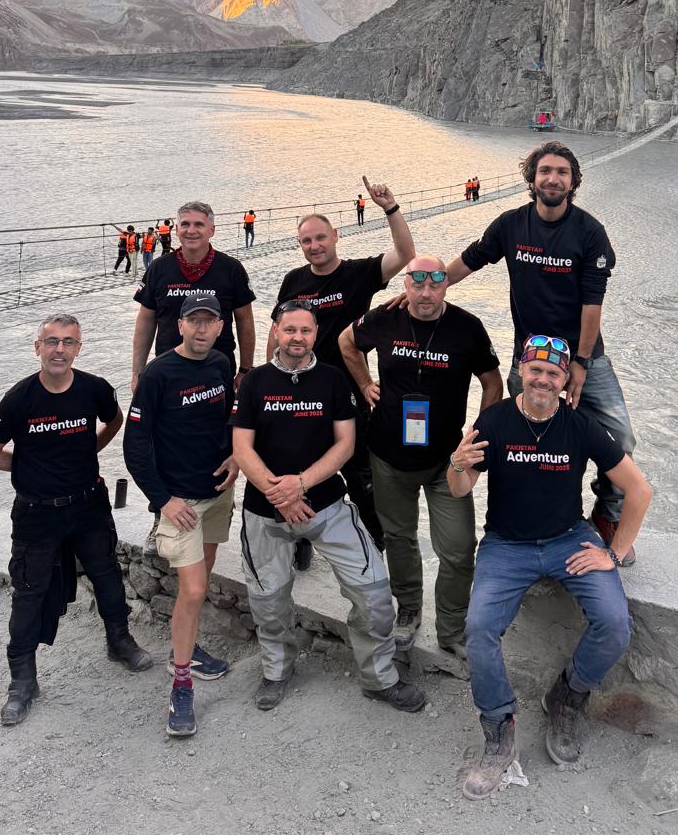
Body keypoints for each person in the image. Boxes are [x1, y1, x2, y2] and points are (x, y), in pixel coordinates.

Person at [447, 334, 652, 799]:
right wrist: (457, 465)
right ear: (521, 370)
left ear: (565, 382)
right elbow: (459, 489)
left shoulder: (580, 426)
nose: (542, 379)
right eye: (534, 370)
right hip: (506, 545)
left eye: (553, 373)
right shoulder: (494, 421)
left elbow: (639, 491)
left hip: (568, 539)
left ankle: (569, 693)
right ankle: (499, 728)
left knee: (615, 623)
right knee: (478, 628)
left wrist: (613, 553)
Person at [442, 141, 638, 563]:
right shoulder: (511, 226)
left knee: (621, 437)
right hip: (528, 360)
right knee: (519, 444)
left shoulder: (589, 232)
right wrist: (428, 287)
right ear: (531, 179)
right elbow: (469, 261)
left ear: (573, 182)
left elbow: (592, 303)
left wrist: (581, 364)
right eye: (545, 170)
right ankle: (520, 531)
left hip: (585, 358)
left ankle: (606, 515)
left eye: (562, 172)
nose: (553, 178)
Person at [233, 301, 425, 714]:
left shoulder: (334, 381)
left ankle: (379, 677)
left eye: (305, 330)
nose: (297, 338)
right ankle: (277, 669)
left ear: (314, 334)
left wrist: (301, 484)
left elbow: (346, 445)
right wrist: (279, 494)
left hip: (327, 505)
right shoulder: (255, 382)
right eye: (289, 330)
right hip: (265, 511)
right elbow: (241, 448)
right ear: (276, 332)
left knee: (374, 590)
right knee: (268, 599)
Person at [0, 313, 153, 728]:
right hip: (37, 512)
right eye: (51, 341)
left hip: (89, 504)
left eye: (68, 342)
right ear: (37, 347)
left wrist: (87, 450)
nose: (60, 349)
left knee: (107, 575)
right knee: (29, 592)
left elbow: (116, 420)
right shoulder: (18, 400)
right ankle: (22, 679)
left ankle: (119, 641)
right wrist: (30, 468)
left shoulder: (94, 389)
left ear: (79, 348)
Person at [339, 256, 502, 656]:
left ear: (446, 285)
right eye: (417, 284)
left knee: (460, 548)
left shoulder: (467, 327)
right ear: (406, 285)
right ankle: (408, 610)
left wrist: (475, 438)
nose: (425, 293)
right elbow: (346, 342)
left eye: (434, 284)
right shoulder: (385, 317)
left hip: (447, 462)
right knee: (398, 537)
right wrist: (364, 383)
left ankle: (451, 628)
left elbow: (493, 384)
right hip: (389, 455)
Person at [269, 176, 414, 565]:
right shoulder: (293, 281)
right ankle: (301, 537)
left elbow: (404, 254)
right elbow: (278, 331)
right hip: (298, 390)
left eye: (320, 238)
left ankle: (376, 545)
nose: (314, 246)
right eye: (306, 241)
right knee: (298, 466)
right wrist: (266, 375)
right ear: (300, 246)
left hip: (348, 390)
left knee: (359, 474)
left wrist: (390, 208)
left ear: (335, 236)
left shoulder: (358, 274)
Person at [123, 295, 239, 737]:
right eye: (194, 321)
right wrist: (163, 500)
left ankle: (186, 651)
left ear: (220, 327)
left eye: (210, 321)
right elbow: (135, 446)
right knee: (191, 590)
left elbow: (230, 413)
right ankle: (182, 682)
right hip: (181, 503)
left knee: (203, 580)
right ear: (180, 326)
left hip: (218, 492)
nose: (202, 329)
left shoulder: (222, 364)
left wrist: (234, 455)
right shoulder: (158, 375)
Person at [132, 200, 256, 553]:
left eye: (198, 224)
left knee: (213, 438)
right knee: (161, 442)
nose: (191, 230)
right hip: (167, 374)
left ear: (211, 230)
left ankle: (215, 508)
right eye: (184, 224)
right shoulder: (160, 268)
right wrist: (138, 371)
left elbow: (245, 321)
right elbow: (146, 321)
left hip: (218, 369)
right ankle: (161, 513)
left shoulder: (230, 269)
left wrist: (245, 369)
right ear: (175, 229)